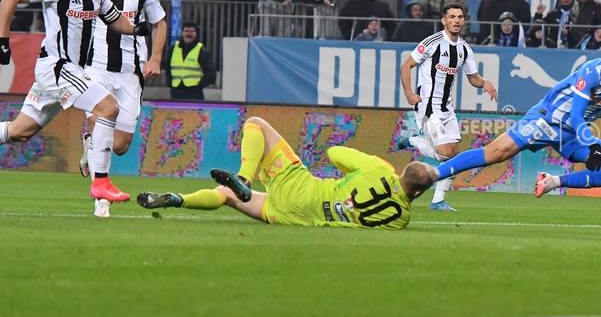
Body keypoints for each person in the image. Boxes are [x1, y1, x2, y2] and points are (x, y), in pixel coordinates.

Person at [0, 0, 147, 202]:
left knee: (20, 131)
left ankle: (100, 182)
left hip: (71, 71)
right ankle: (101, 182)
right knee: (108, 108)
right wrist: (2, 40)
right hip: (56, 68)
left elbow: (114, 18)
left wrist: (136, 28)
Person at [433, 37, 601, 198]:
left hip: (573, 134)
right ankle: (433, 174)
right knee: (495, 153)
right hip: (547, 120)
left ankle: (552, 182)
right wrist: (592, 145)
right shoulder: (593, 72)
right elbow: (576, 114)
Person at [137, 116, 437, 229]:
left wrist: (350, 174)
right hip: (296, 218)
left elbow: (334, 153)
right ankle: (177, 199)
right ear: (419, 193)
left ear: (402, 172)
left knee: (256, 124)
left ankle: (243, 177)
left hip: (303, 190)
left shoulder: (380, 169)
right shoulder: (401, 220)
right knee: (227, 197)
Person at [79, 0, 167, 179]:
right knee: (102, 126)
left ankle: (89, 143)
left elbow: (159, 23)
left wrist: (156, 58)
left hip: (131, 72)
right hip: (96, 68)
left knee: (119, 146)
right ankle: (100, 191)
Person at [399, 4, 498, 211]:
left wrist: (485, 83)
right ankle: (414, 140)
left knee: (455, 156)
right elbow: (406, 65)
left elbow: (473, 78)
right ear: (444, 20)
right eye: (452, 16)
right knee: (445, 153)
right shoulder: (432, 42)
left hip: (447, 109)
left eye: (460, 17)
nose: (456, 20)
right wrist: (409, 93)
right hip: (428, 106)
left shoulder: (464, 49)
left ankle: (437, 201)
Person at [168, 21, 217, 100]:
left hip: (194, 93)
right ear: (182, 33)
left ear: (196, 33)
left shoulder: (200, 50)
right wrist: (169, 83)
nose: (189, 34)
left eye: (192, 31)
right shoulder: (174, 48)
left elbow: (211, 73)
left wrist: (199, 85)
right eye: (186, 31)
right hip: (176, 91)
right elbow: (167, 67)